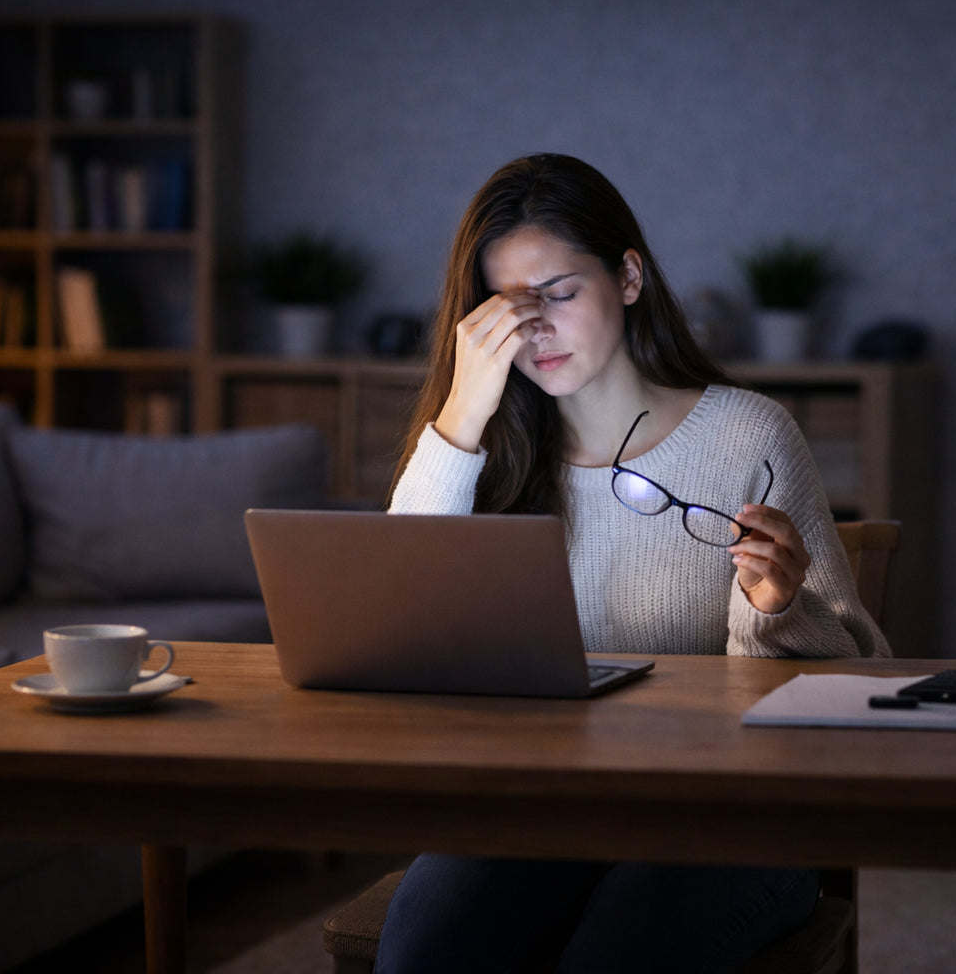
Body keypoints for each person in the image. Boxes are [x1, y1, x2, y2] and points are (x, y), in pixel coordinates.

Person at [377, 153, 889, 973]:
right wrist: (463, 410)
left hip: (735, 815)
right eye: (507, 308)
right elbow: (399, 618)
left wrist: (773, 609)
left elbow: (853, 677)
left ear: (627, 277)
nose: (533, 330)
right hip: (545, 807)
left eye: (558, 294)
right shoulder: (483, 452)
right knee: (424, 952)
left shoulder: (747, 436)